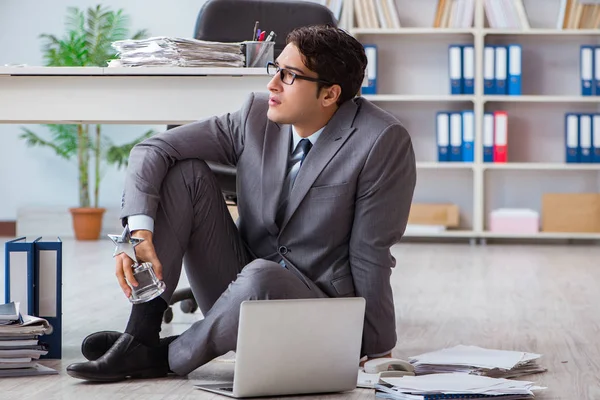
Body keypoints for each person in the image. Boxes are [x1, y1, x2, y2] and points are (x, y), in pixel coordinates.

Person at [66, 24, 416, 382]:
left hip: (313, 306)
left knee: (262, 275)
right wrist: (137, 234)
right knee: (185, 173)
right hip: (239, 284)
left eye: (289, 76)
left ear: (330, 95)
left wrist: (377, 348)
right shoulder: (255, 116)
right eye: (275, 69)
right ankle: (140, 334)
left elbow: (370, 253)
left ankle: (163, 357)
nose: (272, 84)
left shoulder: (381, 141)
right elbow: (153, 149)